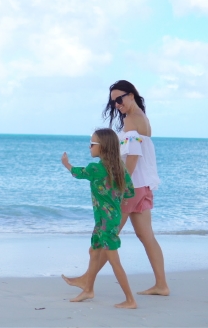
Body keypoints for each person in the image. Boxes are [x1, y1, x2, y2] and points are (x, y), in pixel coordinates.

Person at [62, 80, 170, 296]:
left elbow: (132, 158)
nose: (117, 105)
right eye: (113, 102)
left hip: (131, 187)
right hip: (143, 186)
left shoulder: (131, 120)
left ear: (131, 95)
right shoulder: (143, 119)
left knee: (107, 235)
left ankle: (87, 282)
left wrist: (120, 186)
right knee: (146, 236)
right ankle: (161, 285)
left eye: (119, 99)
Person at [61, 128, 137, 309]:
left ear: (102, 147)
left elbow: (78, 173)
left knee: (114, 261)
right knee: (94, 251)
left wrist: (66, 163)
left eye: (93, 144)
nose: (90, 147)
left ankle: (130, 300)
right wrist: (113, 198)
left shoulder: (95, 168)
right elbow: (130, 192)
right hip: (110, 219)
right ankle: (88, 289)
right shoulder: (120, 169)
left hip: (104, 222)